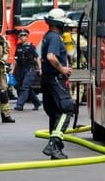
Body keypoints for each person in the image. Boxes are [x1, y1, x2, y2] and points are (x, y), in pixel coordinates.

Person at [40, 8, 74, 160]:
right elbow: (51, 57)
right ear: (59, 23)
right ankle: (54, 144)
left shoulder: (47, 36)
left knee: (55, 113)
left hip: (47, 79)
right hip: (55, 79)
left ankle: (56, 150)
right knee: (66, 109)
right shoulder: (54, 37)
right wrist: (63, 69)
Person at [13, 29, 42, 111]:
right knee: (24, 87)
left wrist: (40, 68)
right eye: (21, 35)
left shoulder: (31, 46)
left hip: (30, 69)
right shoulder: (18, 46)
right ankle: (36, 102)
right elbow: (16, 59)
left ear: (27, 36)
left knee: (25, 86)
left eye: (24, 35)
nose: (22, 37)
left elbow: (37, 57)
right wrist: (12, 70)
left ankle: (20, 105)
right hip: (21, 69)